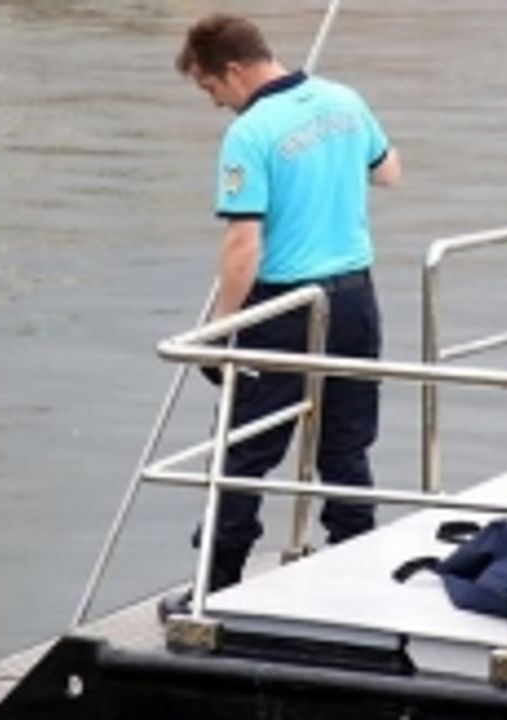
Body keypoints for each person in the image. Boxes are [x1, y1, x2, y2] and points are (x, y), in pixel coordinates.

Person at [164, 13, 401, 616]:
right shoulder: (344, 100)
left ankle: (216, 583)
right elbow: (389, 172)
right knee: (346, 446)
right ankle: (357, 570)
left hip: (286, 305)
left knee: (243, 450)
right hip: (355, 300)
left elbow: (243, 243)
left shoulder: (250, 133)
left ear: (233, 71)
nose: (215, 104)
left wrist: (221, 331)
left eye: (210, 89)